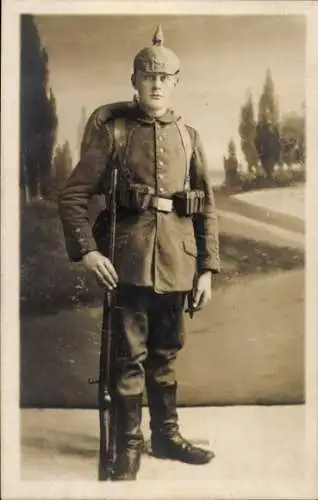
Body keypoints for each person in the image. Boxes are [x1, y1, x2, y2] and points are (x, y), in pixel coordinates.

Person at [58, 25, 221, 481]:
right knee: (127, 357)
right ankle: (128, 445)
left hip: (179, 264)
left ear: (175, 83)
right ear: (134, 81)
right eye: (147, 76)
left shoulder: (189, 136)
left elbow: (206, 206)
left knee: (166, 353)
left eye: (164, 77)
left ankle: (166, 436)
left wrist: (206, 269)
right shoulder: (114, 133)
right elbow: (72, 196)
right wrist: (88, 252)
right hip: (126, 263)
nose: (155, 84)